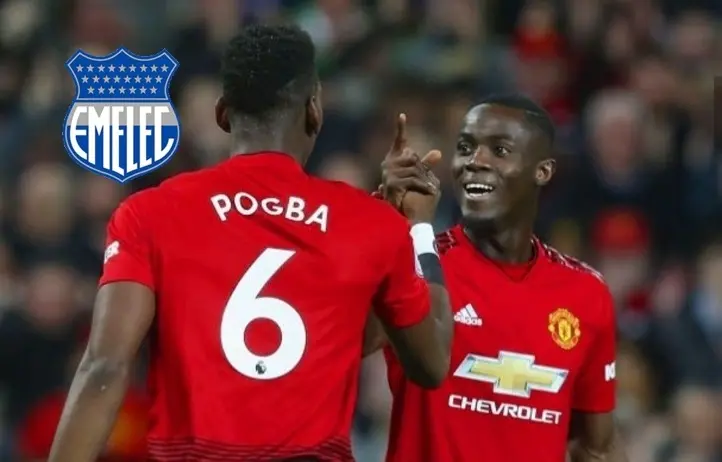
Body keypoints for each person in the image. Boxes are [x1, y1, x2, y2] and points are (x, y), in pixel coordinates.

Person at [48, 24, 453, 462]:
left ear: (223, 114)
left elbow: (105, 366)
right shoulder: (369, 224)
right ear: (314, 110)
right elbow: (430, 363)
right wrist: (415, 229)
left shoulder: (149, 213)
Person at [366, 94, 627, 462]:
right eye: (465, 148)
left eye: (499, 150)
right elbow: (352, 342)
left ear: (543, 171)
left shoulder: (585, 292)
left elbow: (595, 447)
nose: (476, 161)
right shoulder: (418, 263)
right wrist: (385, 224)